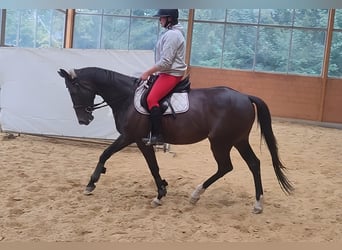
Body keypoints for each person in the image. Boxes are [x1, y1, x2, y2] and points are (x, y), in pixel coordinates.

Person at [141, 9, 187, 146]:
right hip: (165, 72)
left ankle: (158, 135)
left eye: (161, 18)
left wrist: (148, 72)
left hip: (171, 74)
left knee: (151, 98)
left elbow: (166, 62)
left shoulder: (173, 35)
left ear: (169, 19)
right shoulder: (170, 33)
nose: (159, 20)